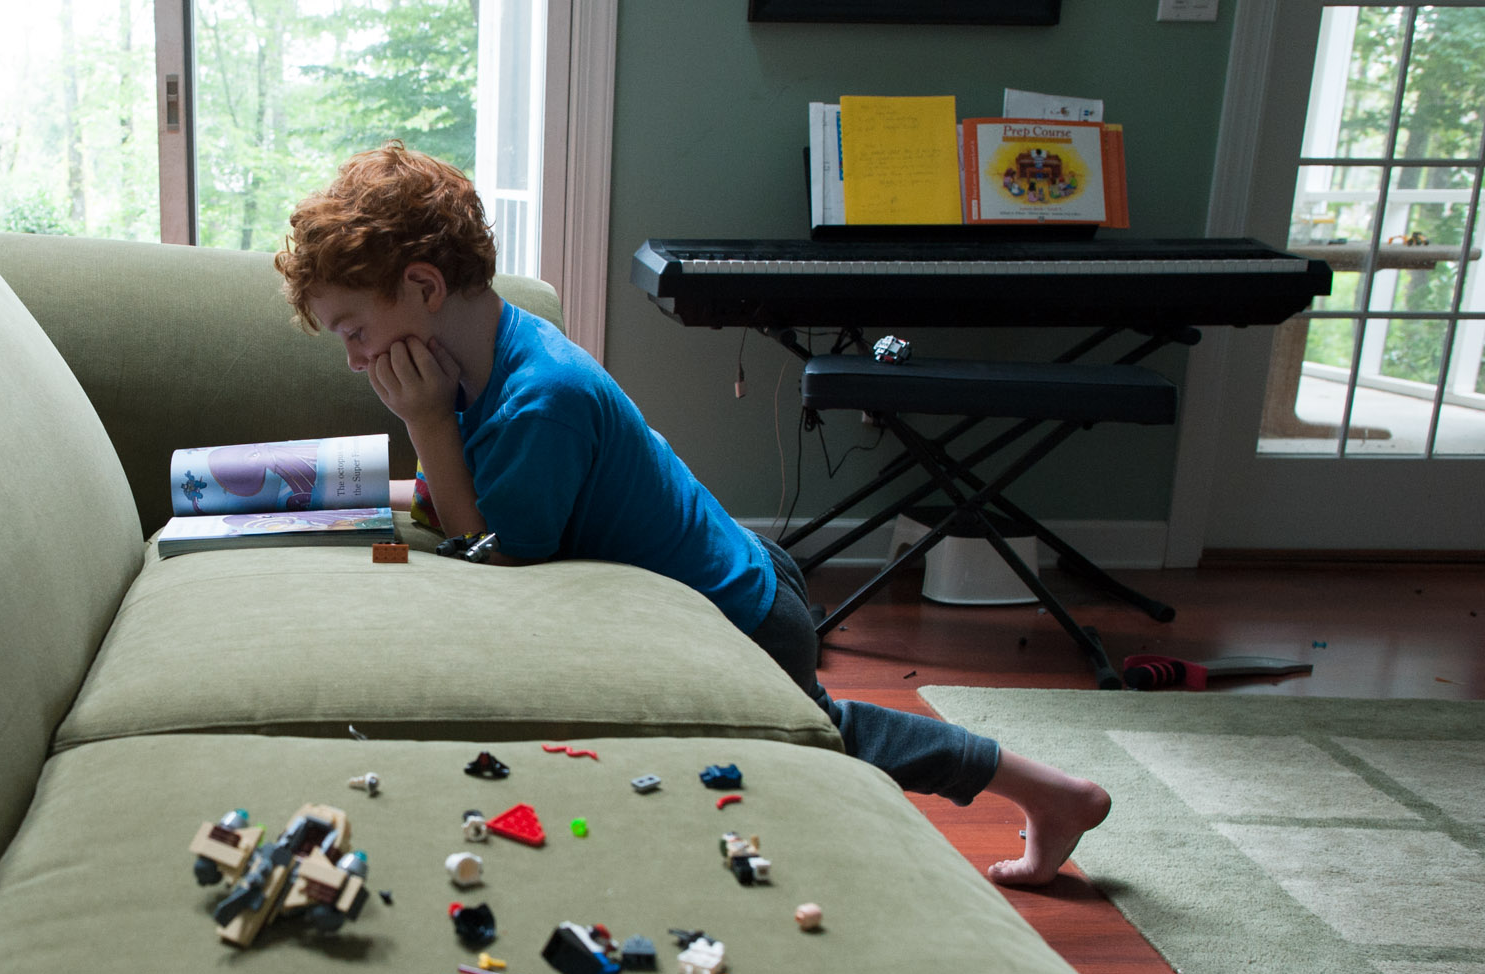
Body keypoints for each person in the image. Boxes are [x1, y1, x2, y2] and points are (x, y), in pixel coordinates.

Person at [274, 142, 1109, 886]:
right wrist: (315, 495)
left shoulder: (538, 402)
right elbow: (452, 495)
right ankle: (1046, 789)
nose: (352, 358)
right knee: (821, 723)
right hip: (737, 564)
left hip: (740, 615)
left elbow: (495, 561)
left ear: (422, 287)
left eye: (352, 329)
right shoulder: (475, 359)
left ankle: (1049, 791)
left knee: (823, 733)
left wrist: (421, 425)